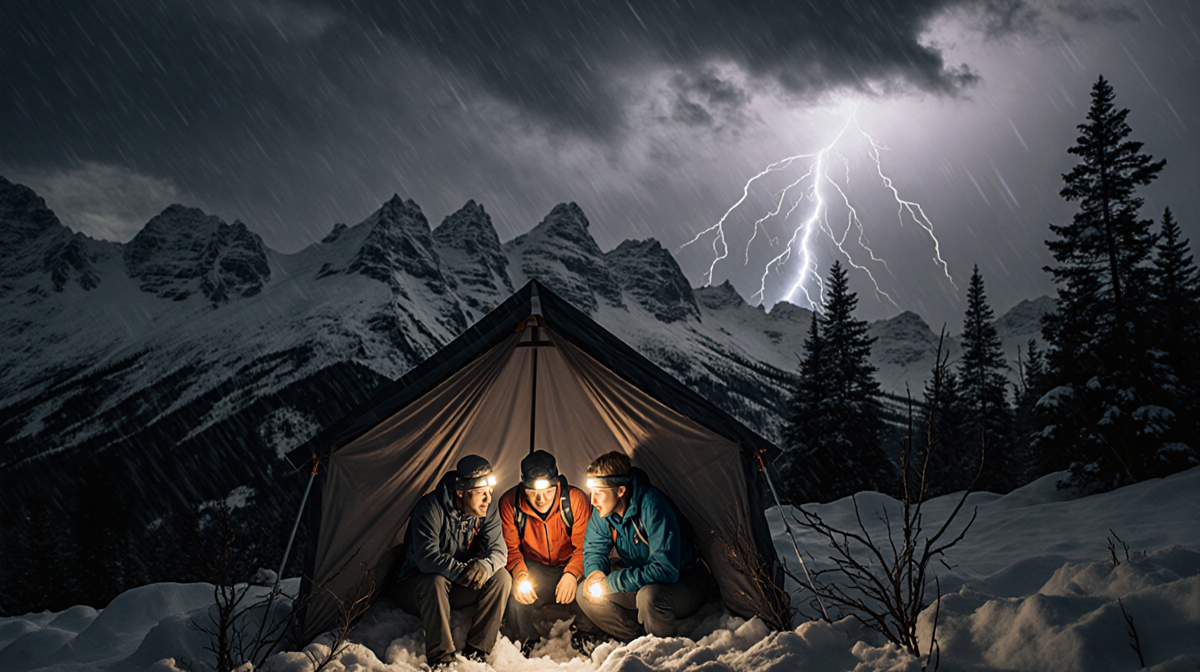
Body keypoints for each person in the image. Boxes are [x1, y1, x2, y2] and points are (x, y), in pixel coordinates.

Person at [575, 451, 715, 643]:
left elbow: (665, 570)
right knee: (585, 592)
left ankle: (663, 648)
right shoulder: (604, 514)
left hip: (684, 581)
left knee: (648, 597)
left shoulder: (652, 505)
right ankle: (637, 641)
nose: (593, 501)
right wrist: (595, 573)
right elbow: (594, 548)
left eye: (599, 493)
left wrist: (611, 583)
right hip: (642, 578)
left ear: (620, 490)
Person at [387, 455, 511, 669]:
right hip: (417, 589)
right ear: (461, 492)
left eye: (490, 492)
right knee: (435, 581)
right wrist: (464, 571)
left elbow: (499, 551)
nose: (488, 499)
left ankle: (478, 651)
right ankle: (441, 659)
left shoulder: (486, 512)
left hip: (456, 588)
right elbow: (427, 559)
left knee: (501, 577)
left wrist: (484, 566)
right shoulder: (430, 508)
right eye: (481, 493)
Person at [498, 450, 594, 655]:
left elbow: (585, 548)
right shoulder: (510, 503)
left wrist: (572, 573)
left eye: (548, 491)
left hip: (569, 563)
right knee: (517, 589)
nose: (540, 498)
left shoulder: (575, 500)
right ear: (523, 485)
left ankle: (584, 631)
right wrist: (520, 575)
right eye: (532, 492)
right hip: (534, 566)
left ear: (557, 483)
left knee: (588, 585)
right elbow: (512, 550)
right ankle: (525, 637)